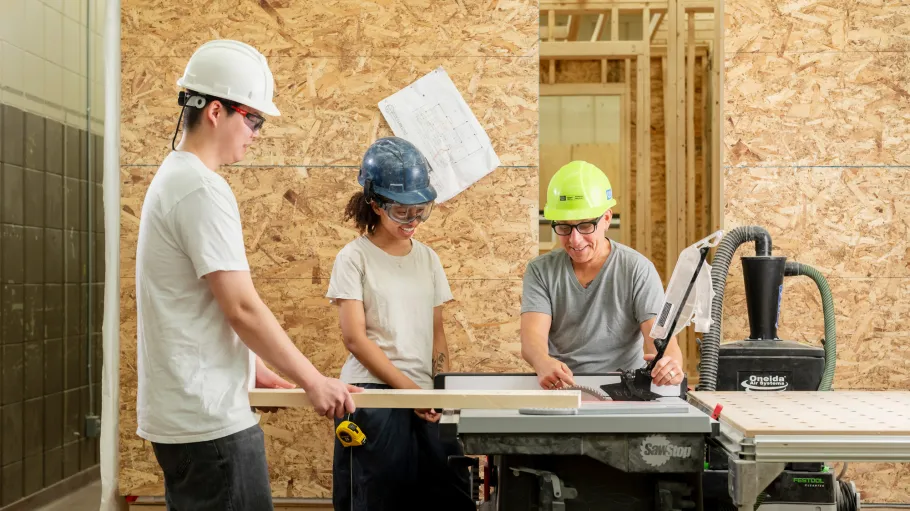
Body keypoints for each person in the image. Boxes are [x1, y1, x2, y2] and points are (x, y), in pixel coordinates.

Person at [134, 39, 360, 510]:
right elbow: (240, 307)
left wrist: (255, 368)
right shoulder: (201, 188)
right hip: (210, 425)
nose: (256, 132)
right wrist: (314, 380)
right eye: (253, 118)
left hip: (188, 419)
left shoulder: (174, 178)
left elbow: (196, 302)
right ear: (216, 111)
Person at [326, 137, 475, 511]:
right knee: (379, 498)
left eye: (420, 211)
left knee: (450, 494)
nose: (412, 222)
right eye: (401, 212)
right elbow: (355, 339)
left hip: (425, 396)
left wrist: (439, 391)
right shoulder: (353, 258)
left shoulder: (428, 259)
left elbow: (437, 333)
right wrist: (411, 394)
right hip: (372, 394)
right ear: (375, 204)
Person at [520, 160, 685, 391]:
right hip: (563, 388)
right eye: (564, 227)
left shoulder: (637, 269)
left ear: (606, 219)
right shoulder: (540, 270)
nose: (575, 240)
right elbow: (532, 339)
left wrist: (670, 364)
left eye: (585, 226)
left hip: (625, 391)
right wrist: (542, 362)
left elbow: (659, 339)